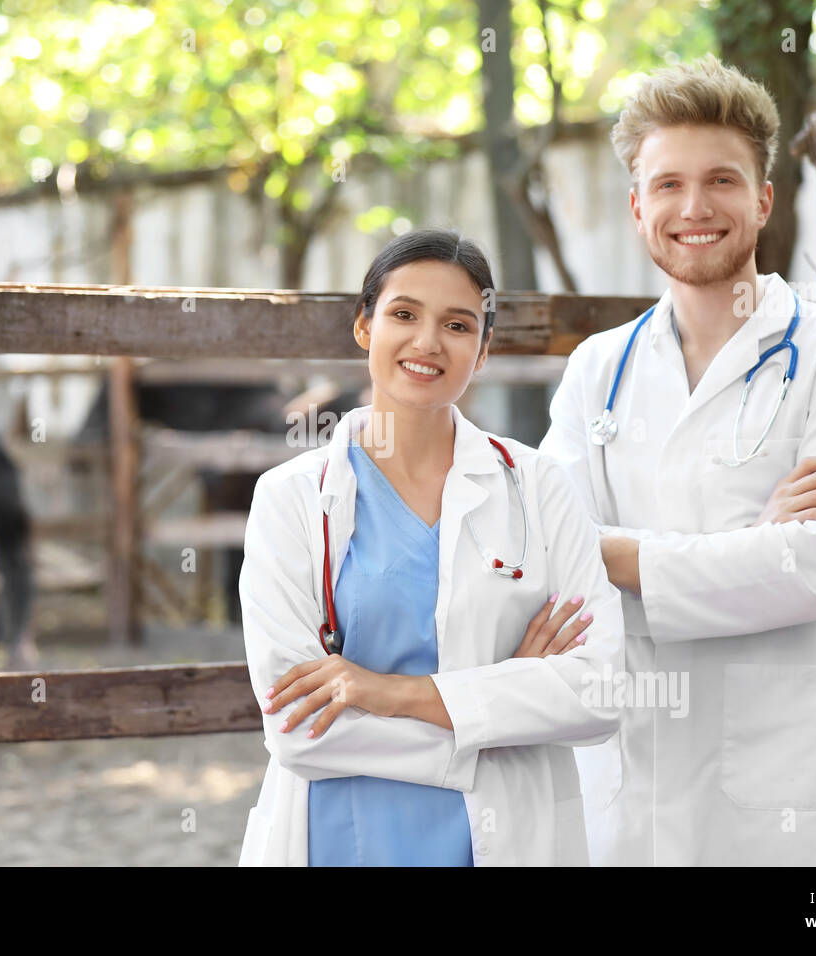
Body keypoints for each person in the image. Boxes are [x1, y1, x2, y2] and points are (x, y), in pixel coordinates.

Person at [539, 55, 816, 865]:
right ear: (637, 206)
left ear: (764, 199)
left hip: (776, 796)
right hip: (626, 778)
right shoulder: (599, 367)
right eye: (667, 184)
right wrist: (751, 544)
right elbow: (547, 555)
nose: (693, 208)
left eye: (722, 181)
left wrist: (622, 554)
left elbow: (813, 573)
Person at [238, 228, 625, 866]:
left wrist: (390, 692)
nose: (427, 343)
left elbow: (602, 692)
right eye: (403, 314)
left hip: (505, 838)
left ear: (484, 347)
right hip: (341, 838)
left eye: (457, 324)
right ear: (364, 326)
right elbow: (299, 730)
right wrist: (504, 708)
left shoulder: (538, 488)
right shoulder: (292, 499)